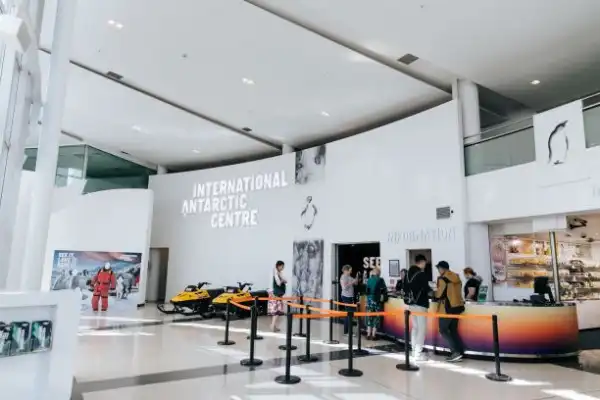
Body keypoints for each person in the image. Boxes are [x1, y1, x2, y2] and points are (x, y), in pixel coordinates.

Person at [435, 261, 465, 362]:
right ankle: (460, 352)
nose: (438, 271)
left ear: (442, 268)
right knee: (453, 330)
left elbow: (439, 295)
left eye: (438, 269)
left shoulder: (443, 279)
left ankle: (455, 353)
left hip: (446, 308)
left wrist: (432, 293)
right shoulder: (456, 277)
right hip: (458, 307)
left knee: (443, 330)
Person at [405, 254, 431, 361]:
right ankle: (418, 354)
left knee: (415, 328)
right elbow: (426, 289)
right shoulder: (421, 274)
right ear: (422, 262)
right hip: (421, 304)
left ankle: (413, 350)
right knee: (422, 329)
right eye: (425, 263)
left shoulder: (407, 274)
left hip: (411, 304)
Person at [365, 267, 387, 340]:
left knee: (369, 317)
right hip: (376, 300)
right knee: (376, 318)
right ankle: (373, 335)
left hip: (369, 300)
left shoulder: (369, 280)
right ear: (379, 273)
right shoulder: (380, 280)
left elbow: (366, 290)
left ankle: (368, 334)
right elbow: (384, 290)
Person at [269, 260, 287, 332]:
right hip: (275, 294)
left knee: (275, 310)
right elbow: (278, 283)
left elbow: (285, 280)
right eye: (282, 266)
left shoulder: (278, 273)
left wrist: (283, 280)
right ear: (279, 266)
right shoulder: (275, 273)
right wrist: (282, 280)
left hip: (277, 294)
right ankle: (273, 326)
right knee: (277, 310)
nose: (283, 268)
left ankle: (273, 325)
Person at [339, 265, 357, 335]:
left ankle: (346, 331)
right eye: (350, 270)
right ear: (346, 270)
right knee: (350, 314)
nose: (351, 271)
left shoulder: (349, 277)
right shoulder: (343, 277)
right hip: (346, 297)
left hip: (350, 297)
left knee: (349, 314)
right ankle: (349, 332)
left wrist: (356, 280)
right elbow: (344, 288)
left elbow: (355, 282)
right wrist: (352, 282)